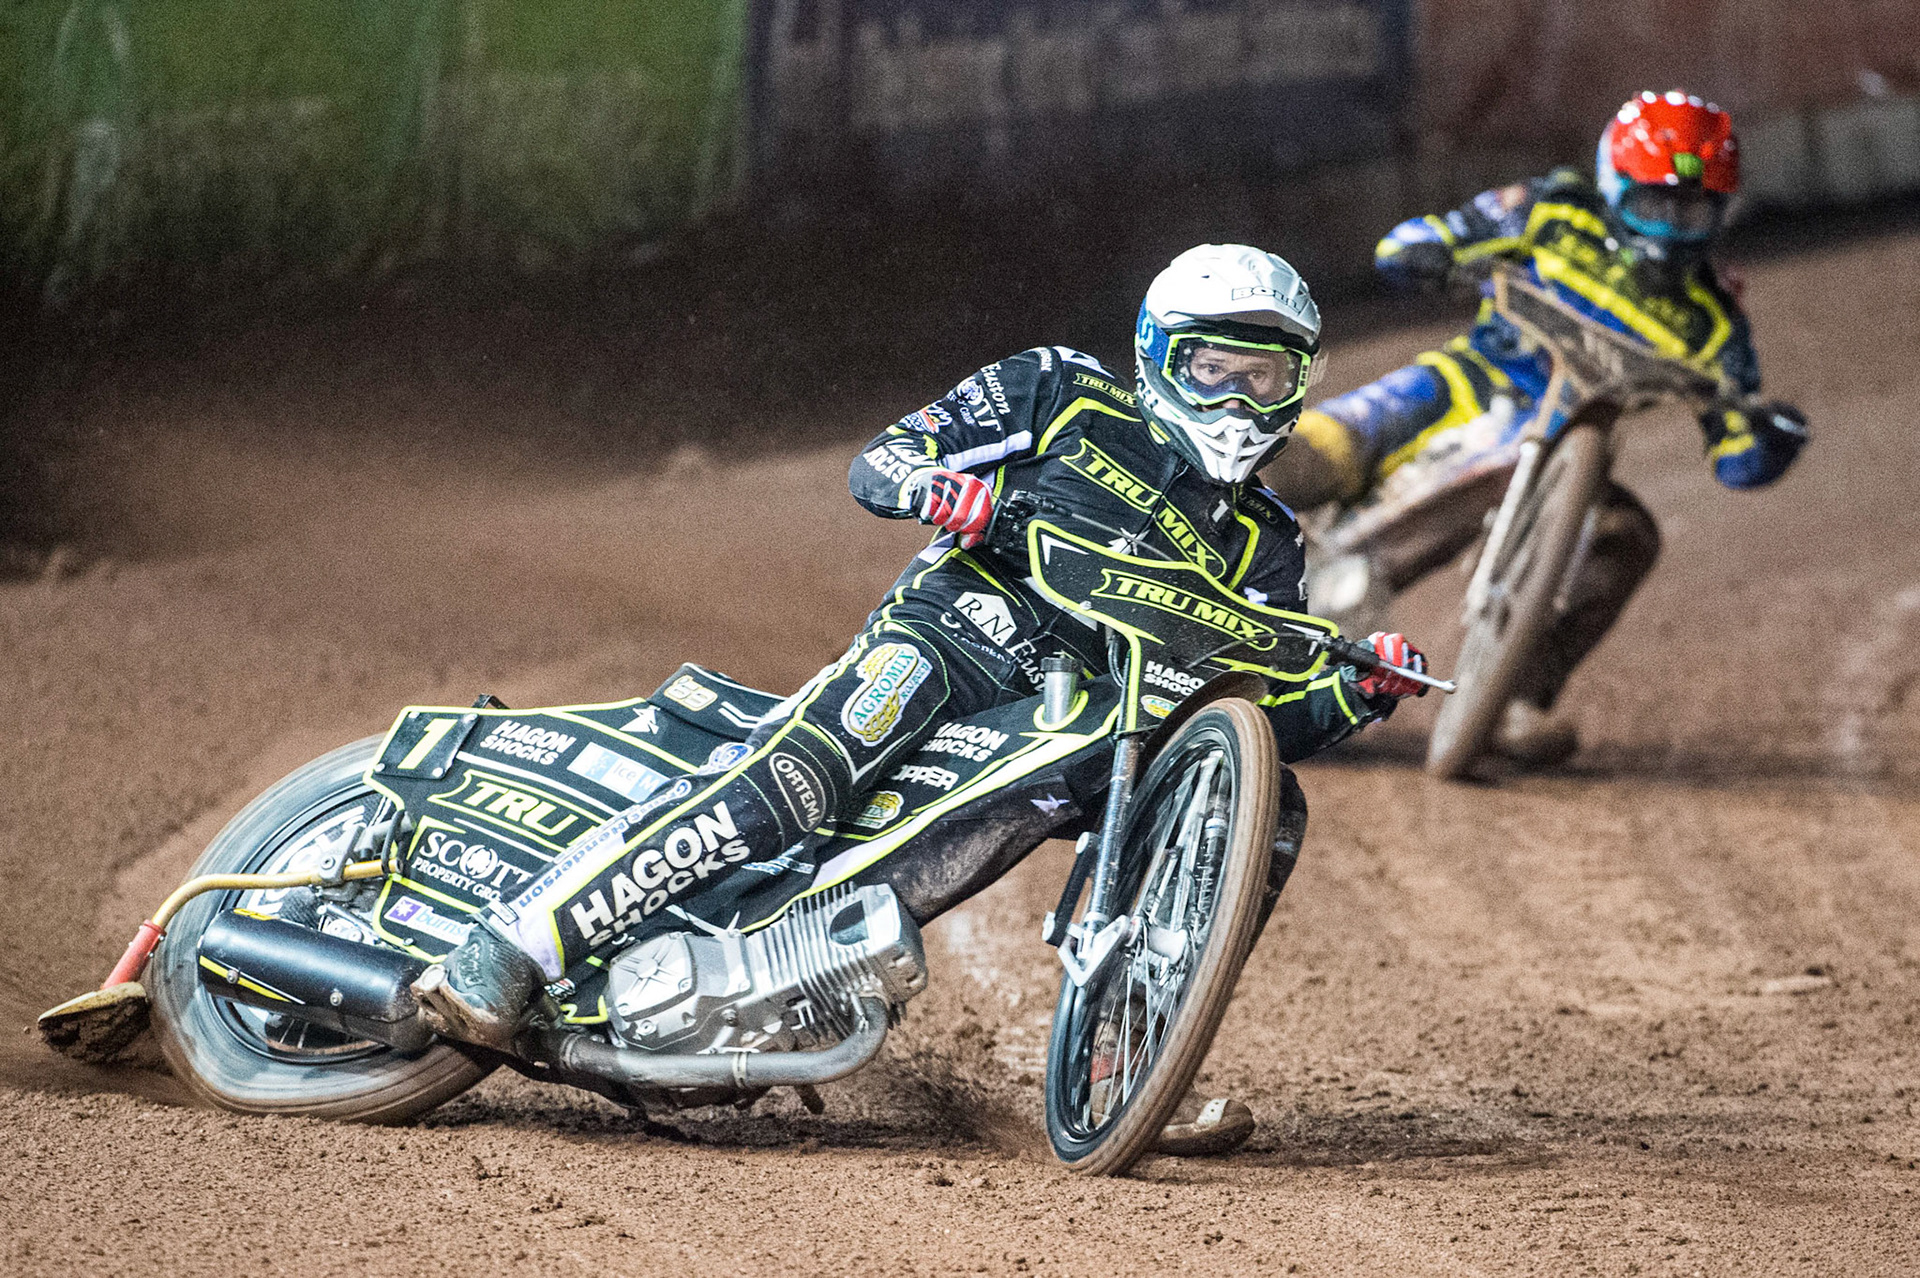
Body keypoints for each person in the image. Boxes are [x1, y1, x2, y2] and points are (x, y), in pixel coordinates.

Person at [412, 244, 1430, 1154]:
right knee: (797, 783)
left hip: (1090, 726)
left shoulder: (1269, 544)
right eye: (1215, 369)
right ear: (1161, 355)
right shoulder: (1061, 390)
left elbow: (1253, 716)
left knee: (1270, 809)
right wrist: (938, 490)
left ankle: (1134, 1064)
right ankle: (513, 945)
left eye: (1264, 377)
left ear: (1298, 385)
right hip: (951, 639)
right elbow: (886, 458)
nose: (1239, 401)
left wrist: (1352, 694)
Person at [1264, 91, 1809, 765]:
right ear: (1614, 187)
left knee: (1627, 538)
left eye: (1691, 211)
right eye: (1654, 204)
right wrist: (1430, 249)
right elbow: (1422, 240)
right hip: (1455, 387)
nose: (1670, 229)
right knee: (1298, 454)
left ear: (1721, 213)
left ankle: (1511, 698)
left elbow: (1736, 453)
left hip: (1565, 455)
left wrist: (1772, 437)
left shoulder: (1714, 323)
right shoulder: (1553, 210)